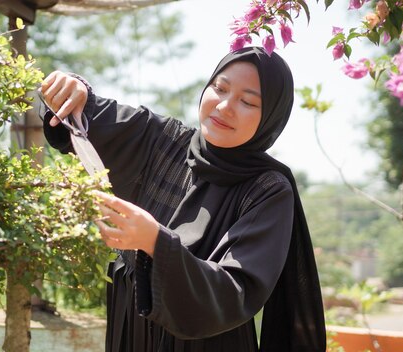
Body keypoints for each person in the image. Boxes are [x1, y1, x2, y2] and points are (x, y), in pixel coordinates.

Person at [38, 46, 326, 352]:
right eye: (220, 88)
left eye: (248, 102)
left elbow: (236, 291)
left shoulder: (267, 189)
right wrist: (72, 86)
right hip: (132, 333)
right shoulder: (162, 140)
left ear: (270, 118)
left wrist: (154, 241)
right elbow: (88, 110)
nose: (225, 106)